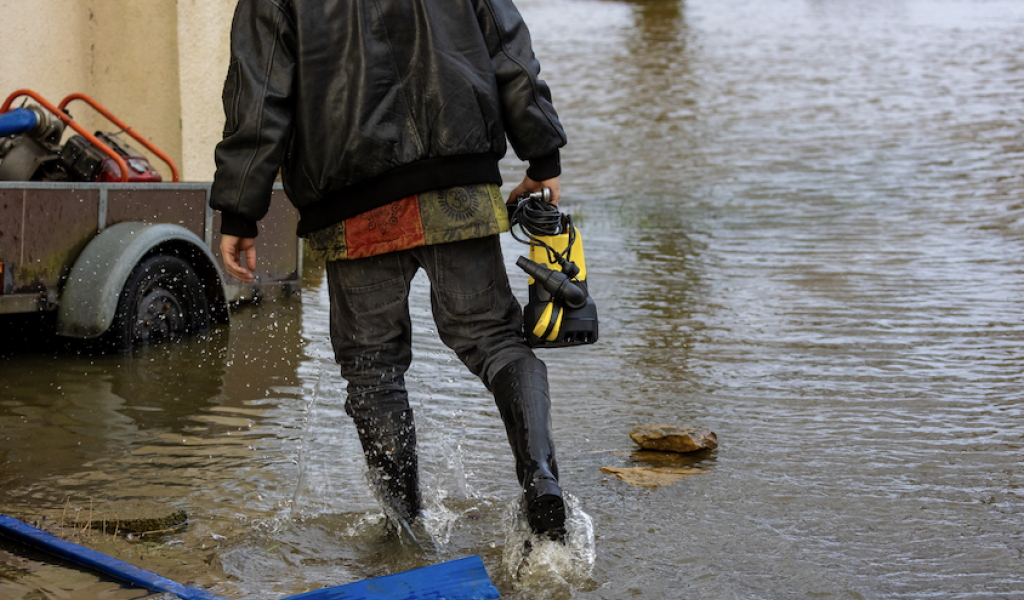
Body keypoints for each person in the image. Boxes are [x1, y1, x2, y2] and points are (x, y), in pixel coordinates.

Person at [210, 0, 568, 541]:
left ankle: (404, 531)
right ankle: (541, 479)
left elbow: (259, 93)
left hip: (352, 200)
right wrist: (541, 155)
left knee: (372, 367)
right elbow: (508, 47)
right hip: (460, 181)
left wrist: (241, 206)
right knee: (496, 339)